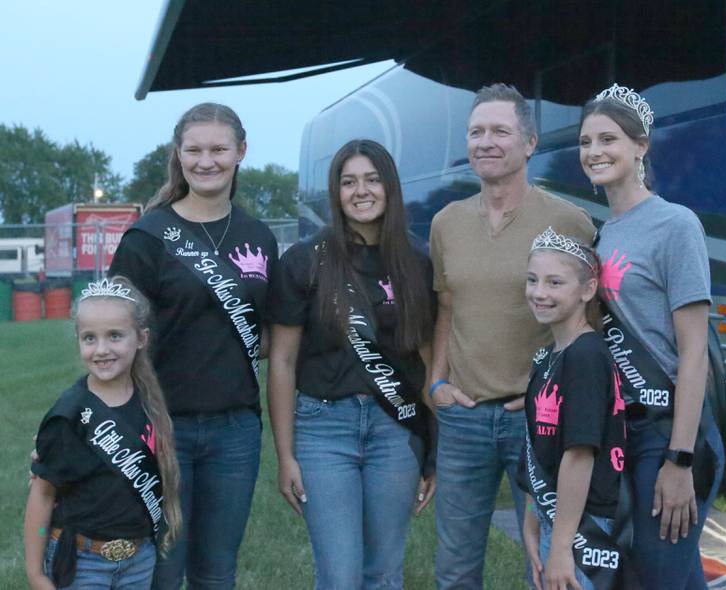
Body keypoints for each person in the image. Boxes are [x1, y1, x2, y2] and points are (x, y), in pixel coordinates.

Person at [428, 83, 596, 589]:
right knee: (455, 568)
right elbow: (447, 306)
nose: (486, 142)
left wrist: (553, 389)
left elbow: (592, 316)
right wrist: (435, 383)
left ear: (530, 143)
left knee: (547, 560)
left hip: (539, 418)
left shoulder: (568, 221)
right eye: (476, 132)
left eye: (500, 131)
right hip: (463, 419)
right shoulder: (446, 223)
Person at [109, 103, 279, 589]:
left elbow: (266, 335)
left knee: (216, 571)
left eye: (219, 149)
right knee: (161, 569)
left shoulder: (259, 237)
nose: (207, 160)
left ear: (240, 153)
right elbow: (114, 335)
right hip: (162, 427)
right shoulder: (147, 238)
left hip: (236, 432)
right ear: (178, 155)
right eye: (195, 149)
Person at [268, 139, 437, 590]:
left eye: (372, 179)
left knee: (383, 572)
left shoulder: (418, 261)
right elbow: (282, 361)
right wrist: (286, 455)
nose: (361, 191)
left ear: (390, 187)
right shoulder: (305, 260)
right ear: (335, 192)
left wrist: (432, 451)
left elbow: (426, 360)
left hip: (396, 429)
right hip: (324, 428)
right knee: (340, 576)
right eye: (348, 182)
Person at [579, 84, 725, 589]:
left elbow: (694, 353)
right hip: (624, 432)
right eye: (585, 142)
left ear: (640, 146)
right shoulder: (603, 235)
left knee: (659, 575)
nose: (594, 152)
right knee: (665, 577)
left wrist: (680, 459)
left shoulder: (675, 225)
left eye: (608, 139)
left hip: (668, 431)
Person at [24, 276, 181, 590]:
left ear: (141, 339)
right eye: (89, 338)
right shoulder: (68, 414)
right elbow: (42, 496)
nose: (102, 349)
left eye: (115, 336)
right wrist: (35, 573)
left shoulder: (150, 403)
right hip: (82, 562)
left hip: (139, 558)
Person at [520, 228, 627, 590]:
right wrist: (533, 519)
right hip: (557, 518)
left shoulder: (585, 356)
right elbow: (540, 449)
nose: (539, 293)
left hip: (584, 529)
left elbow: (579, 455)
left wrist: (562, 547)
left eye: (555, 283)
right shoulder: (549, 356)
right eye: (532, 280)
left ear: (586, 290)